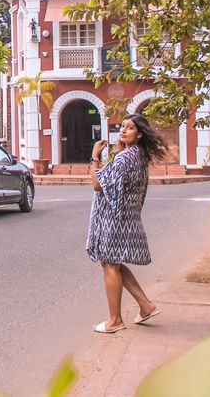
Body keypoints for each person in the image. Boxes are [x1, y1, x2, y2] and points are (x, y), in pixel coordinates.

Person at [86, 113, 168, 333]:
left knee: (110, 264)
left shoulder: (125, 157)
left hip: (115, 218)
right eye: (122, 126)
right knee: (114, 263)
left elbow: (97, 184)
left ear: (139, 134)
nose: (123, 130)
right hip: (125, 216)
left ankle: (115, 320)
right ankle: (146, 305)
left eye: (129, 128)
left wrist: (95, 157)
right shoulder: (137, 155)